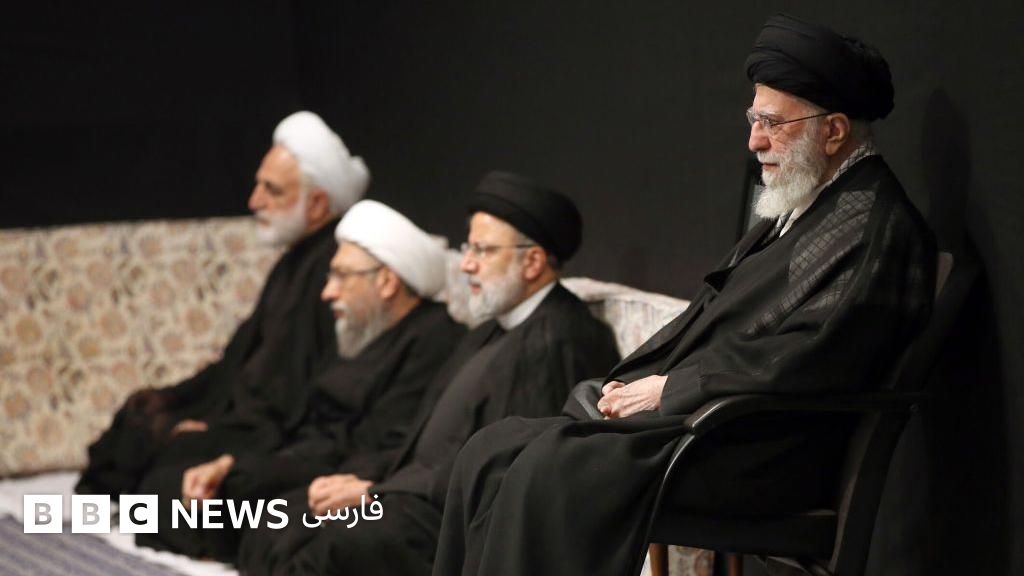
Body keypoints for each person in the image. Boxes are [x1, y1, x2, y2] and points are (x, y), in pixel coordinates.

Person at [433, 14, 938, 576]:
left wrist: (670, 389)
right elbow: (723, 317)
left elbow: (810, 357)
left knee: (547, 469)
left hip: (762, 449)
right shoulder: (808, 204)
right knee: (490, 452)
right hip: (715, 426)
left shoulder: (875, 227)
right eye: (754, 119)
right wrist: (643, 380)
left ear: (835, 131)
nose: (754, 141)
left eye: (772, 123)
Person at [235, 171, 621, 576]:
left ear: (533, 262)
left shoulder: (555, 339)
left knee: (327, 549)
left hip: (454, 523)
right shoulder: (493, 327)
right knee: (277, 521)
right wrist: (368, 481)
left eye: (483, 250)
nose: (467, 265)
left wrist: (376, 492)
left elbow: (508, 471)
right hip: (414, 497)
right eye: (468, 247)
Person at [133, 200, 463, 559]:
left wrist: (247, 468)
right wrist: (232, 458)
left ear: (386, 282)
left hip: (338, 474)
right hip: (297, 454)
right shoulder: (359, 332)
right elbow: (296, 416)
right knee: (170, 476)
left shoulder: (433, 340)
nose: (328, 292)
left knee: (242, 500)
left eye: (341, 276)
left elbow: (376, 446)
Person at [76, 111, 370, 498]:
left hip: (273, 432)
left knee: (173, 462)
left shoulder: (330, 268)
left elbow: (301, 387)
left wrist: (216, 424)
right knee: (143, 412)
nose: (255, 200)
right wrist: (193, 405)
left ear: (317, 204)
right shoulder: (293, 261)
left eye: (272, 191)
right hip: (241, 413)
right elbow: (242, 358)